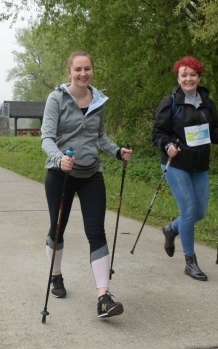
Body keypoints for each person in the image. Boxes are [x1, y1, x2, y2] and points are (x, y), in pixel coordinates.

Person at [41, 51, 133, 319]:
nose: (83, 73)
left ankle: (103, 297)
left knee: (96, 231)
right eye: (78, 69)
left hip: (91, 173)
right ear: (69, 72)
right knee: (58, 229)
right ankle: (56, 275)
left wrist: (117, 152)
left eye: (87, 69)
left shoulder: (99, 100)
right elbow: (46, 137)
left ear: (93, 71)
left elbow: (99, 136)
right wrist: (59, 159)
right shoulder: (56, 98)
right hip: (61, 174)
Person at [151, 55, 218, 282]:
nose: (188, 79)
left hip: (200, 165)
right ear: (178, 78)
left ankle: (171, 229)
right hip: (176, 164)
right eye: (184, 75)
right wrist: (167, 145)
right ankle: (190, 261)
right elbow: (157, 133)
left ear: (199, 77)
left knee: (200, 212)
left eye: (192, 75)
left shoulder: (207, 103)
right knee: (188, 209)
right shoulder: (170, 103)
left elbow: (212, 132)